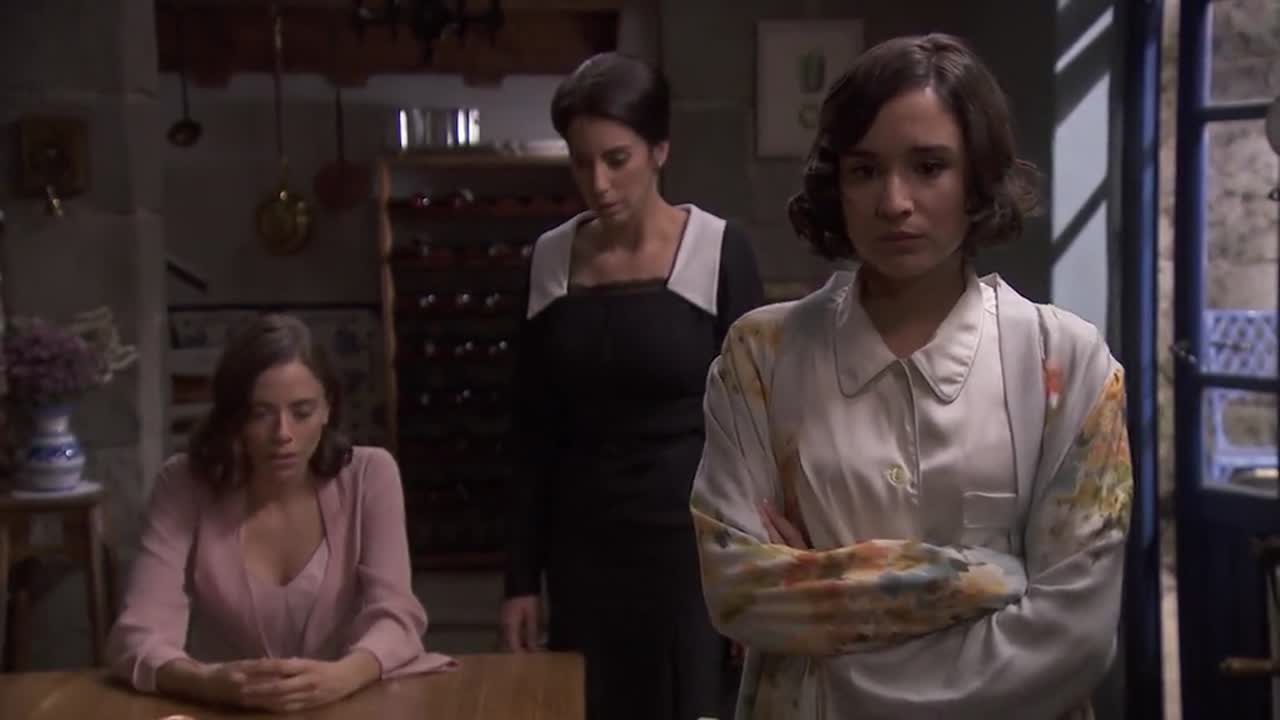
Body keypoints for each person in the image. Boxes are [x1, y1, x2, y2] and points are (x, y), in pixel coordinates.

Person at [690, 33, 1133, 719]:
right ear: (836, 184)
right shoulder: (762, 357)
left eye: (929, 167)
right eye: (865, 171)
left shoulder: (1065, 363)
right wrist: (990, 581)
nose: (894, 201)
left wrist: (823, 601)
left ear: (976, 178)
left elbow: (1074, 636)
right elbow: (739, 591)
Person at [500, 51, 765, 720]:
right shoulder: (548, 261)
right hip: (581, 547)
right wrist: (520, 580)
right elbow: (530, 431)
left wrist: (756, 575)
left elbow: (757, 428)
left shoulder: (718, 251)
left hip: (689, 548)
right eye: (581, 162)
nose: (598, 183)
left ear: (659, 150)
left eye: (616, 159)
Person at [107, 314, 452, 713]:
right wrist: (209, 683)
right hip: (224, 710)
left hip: (354, 705)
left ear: (328, 408)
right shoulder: (184, 484)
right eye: (260, 414)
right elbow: (137, 635)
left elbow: (397, 617)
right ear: (233, 417)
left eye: (302, 412)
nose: (283, 434)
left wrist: (341, 677)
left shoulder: (369, 474)